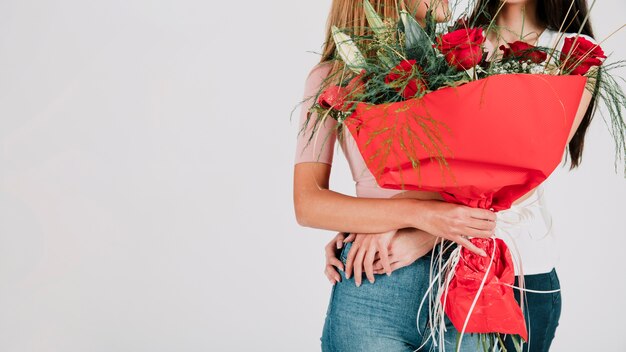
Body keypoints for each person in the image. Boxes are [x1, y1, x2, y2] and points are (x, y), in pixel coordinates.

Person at [315, 1, 601, 351]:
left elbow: (526, 178)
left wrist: (417, 232)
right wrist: (373, 217)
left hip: (525, 273)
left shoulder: (572, 54)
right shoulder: (454, 42)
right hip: (450, 268)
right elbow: (436, 170)